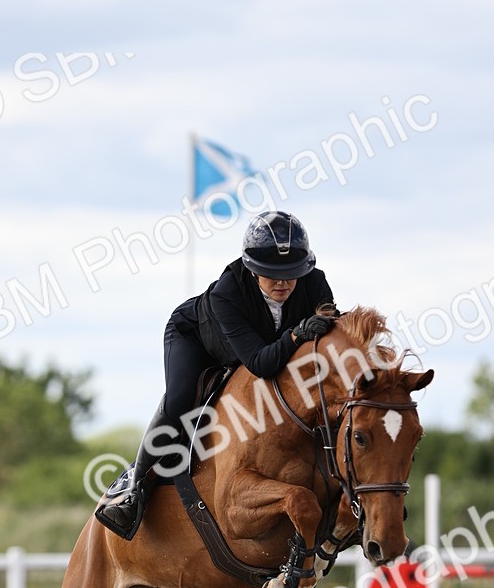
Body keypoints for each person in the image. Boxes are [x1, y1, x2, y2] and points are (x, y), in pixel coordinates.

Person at [96, 210, 337, 540]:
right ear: (253, 269)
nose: (283, 282)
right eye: (272, 274)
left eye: (291, 273)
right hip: (196, 339)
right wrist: (296, 336)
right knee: (181, 399)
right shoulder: (228, 291)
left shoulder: (314, 282)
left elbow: (328, 343)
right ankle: (134, 489)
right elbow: (260, 363)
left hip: (261, 345)